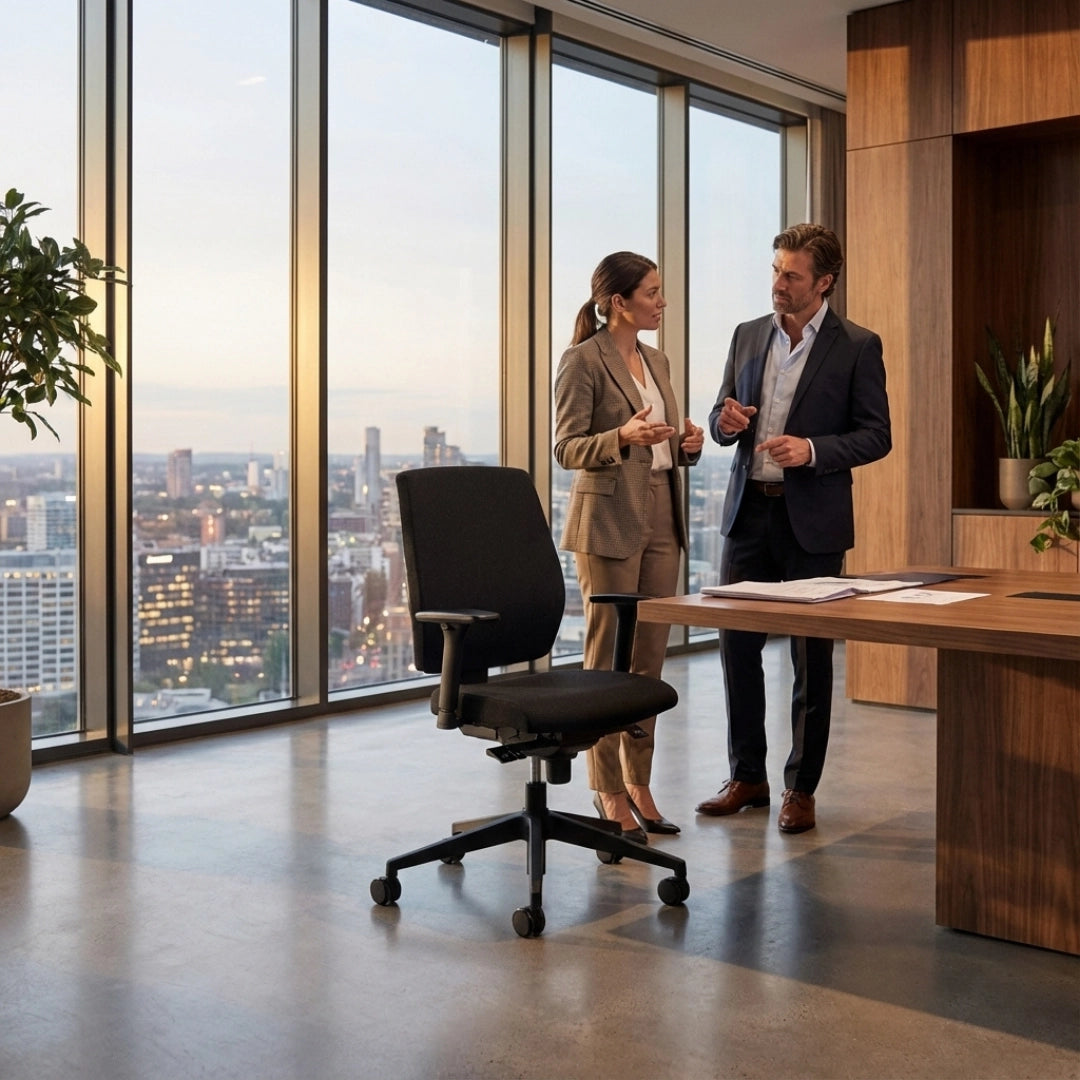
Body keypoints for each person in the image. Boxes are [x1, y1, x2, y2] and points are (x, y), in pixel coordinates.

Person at [695, 223, 891, 834]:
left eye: (792, 275)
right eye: (775, 271)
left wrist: (811, 449)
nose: (778, 285)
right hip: (747, 510)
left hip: (813, 519)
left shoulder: (858, 345)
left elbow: (876, 435)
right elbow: (725, 417)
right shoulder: (747, 335)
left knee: (811, 656)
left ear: (823, 282)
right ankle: (746, 774)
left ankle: (799, 787)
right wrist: (724, 421)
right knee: (737, 647)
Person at [554, 251, 704, 844]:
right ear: (619, 302)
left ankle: (640, 783)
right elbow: (566, 448)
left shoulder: (657, 359)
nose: (662, 301)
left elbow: (662, 445)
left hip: (661, 514)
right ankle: (608, 789)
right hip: (609, 522)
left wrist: (686, 442)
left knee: (648, 662)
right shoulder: (581, 360)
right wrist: (621, 435)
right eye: (652, 292)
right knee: (606, 662)